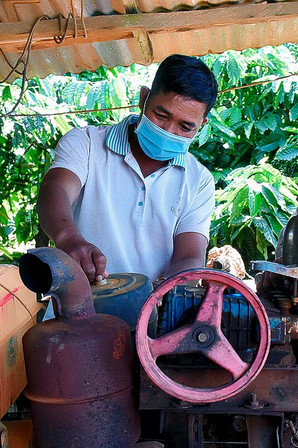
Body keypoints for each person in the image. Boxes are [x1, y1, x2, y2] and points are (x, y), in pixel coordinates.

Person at [36, 54, 219, 283]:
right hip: (75, 309)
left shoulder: (198, 180)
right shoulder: (86, 144)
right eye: (161, 115)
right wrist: (70, 239)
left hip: (152, 314)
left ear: (201, 125)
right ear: (144, 99)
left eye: (185, 127)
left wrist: (166, 293)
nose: (169, 131)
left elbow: (190, 254)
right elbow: (54, 191)